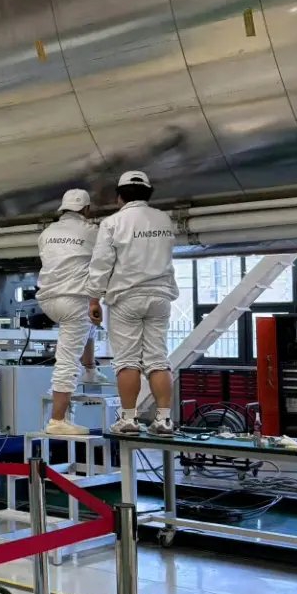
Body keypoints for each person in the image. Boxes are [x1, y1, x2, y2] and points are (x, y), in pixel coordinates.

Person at [87, 169, 178, 437]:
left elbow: (101, 263)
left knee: (127, 361)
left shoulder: (113, 222)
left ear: (119, 196)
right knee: (158, 359)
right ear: (148, 193)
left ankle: (128, 420)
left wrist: (94, 298)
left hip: (127, 297)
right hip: (160, 296)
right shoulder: (164, 219)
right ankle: (164, 421)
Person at [37, 188, 105, 437]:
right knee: (67, 360)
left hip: (48, 300)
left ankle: (90, 369)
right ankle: (57, 420)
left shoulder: (47, 233)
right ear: (86, 209)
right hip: (74, 300)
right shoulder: (92, 232)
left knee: (90, 321)